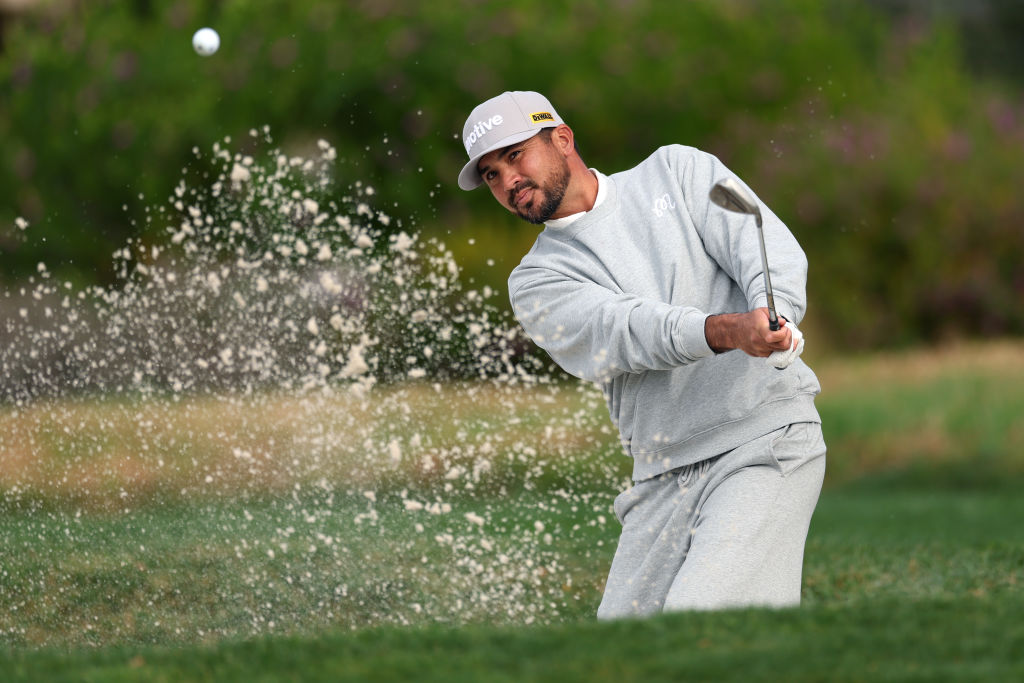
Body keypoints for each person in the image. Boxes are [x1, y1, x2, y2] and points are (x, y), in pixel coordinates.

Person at [457, 91, 826, 617]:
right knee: (623, 655)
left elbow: (762, 249)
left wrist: (775, 313)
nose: (507, 180)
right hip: (661, 477)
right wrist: (726, 331)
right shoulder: (535, 282)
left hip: (765, 440)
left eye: (514, 155)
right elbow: (627, 330)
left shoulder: (678, 170)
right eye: (491, 174)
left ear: (562, 139)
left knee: (701, 626)